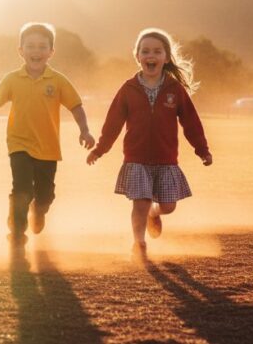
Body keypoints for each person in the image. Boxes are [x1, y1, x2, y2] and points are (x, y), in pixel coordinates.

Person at [86, 28, 212, 261]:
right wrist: (100, 149)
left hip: (166, 159)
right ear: (137, 56)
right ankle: (139, 243)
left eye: (157, 51)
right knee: (140, 202)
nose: (150, 55)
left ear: (166, 57)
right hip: (136, 159)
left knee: (168, 205)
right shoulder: (128, 89)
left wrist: (202, 149)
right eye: (145, 51)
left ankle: (156, 213)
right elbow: (113, 123)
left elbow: (191, 122)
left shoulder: (175, 89)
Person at [0, 22, 95, 247]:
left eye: (42, 47)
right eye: (30, 46)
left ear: (50, 52)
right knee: (22, 188)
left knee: (45, 196)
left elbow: (76, 106)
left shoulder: (57, 80)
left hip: (48, 148)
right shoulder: (12, 79)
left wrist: (84, 130)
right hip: (19, 145)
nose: (36, 51)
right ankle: (17, 231)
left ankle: (40, 210)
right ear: (21, 50)